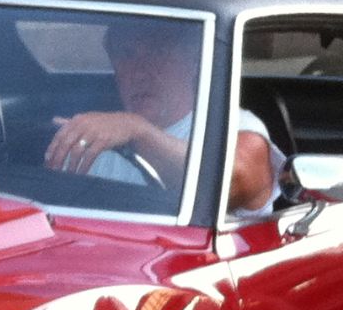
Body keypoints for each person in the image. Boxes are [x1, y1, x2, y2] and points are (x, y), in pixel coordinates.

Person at [45, 20, 284, 217]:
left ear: (194, 62)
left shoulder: (237, 127)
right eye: (126, 54)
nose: (139, 71)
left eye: (159, 52)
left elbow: (222, 183)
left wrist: (139, 131)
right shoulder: (91, 134)